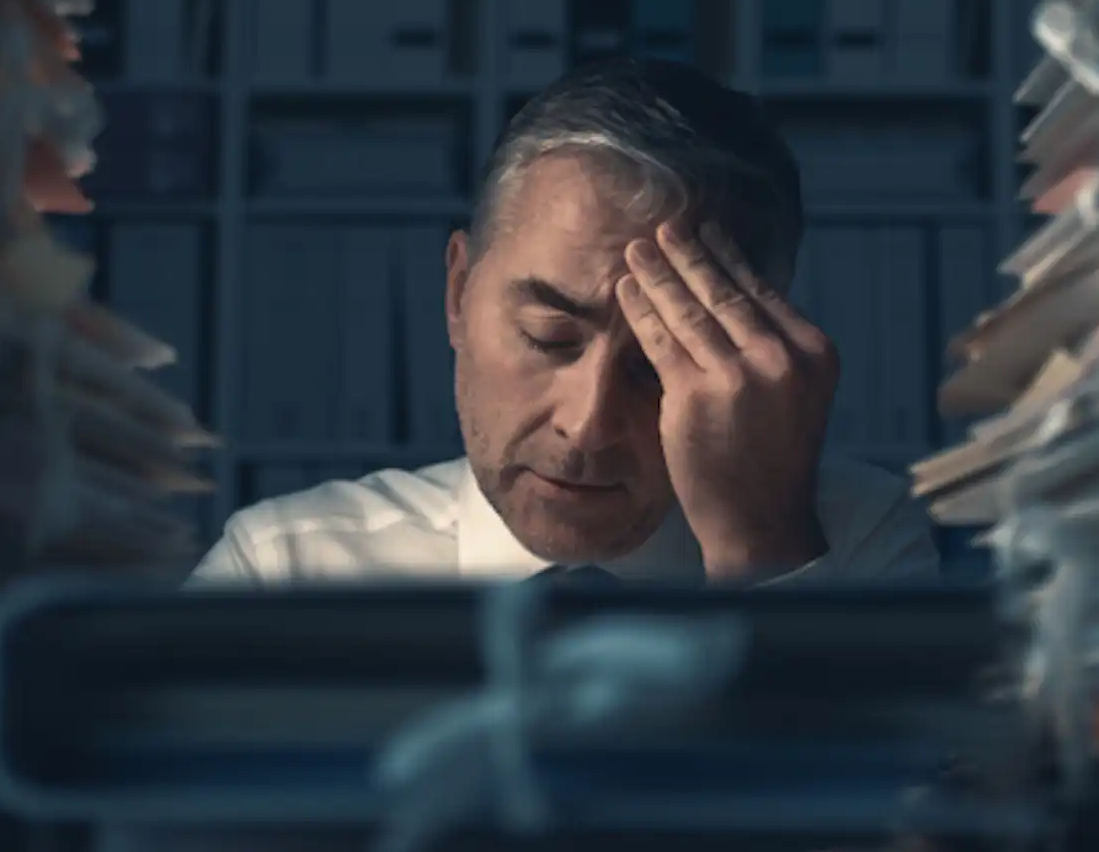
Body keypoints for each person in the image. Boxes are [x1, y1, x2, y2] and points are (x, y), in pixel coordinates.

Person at [192, 57, 941, 586]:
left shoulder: (857, 548)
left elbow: (856, 814)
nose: (587, 428)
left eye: (660, 364)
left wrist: (760, 549)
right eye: (549, 338)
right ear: (459, 294)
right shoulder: (285, 571)